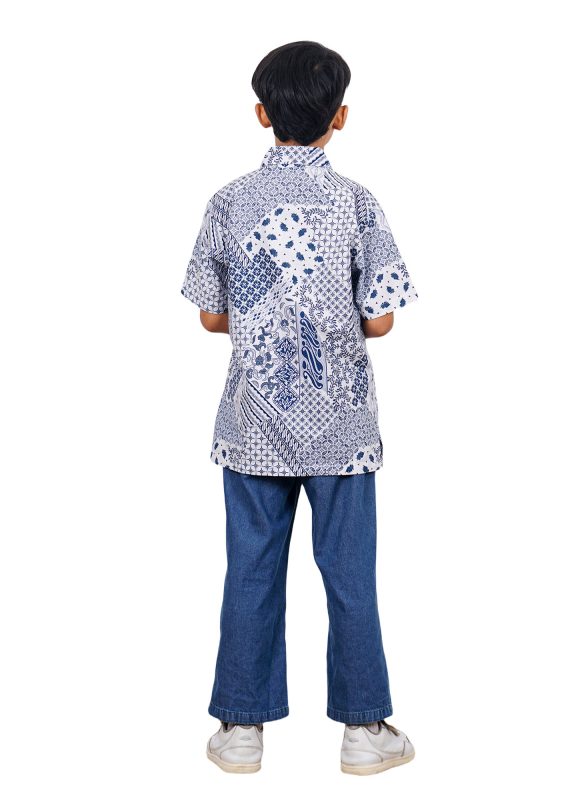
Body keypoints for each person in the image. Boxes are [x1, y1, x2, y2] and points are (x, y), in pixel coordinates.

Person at [181, 40, 418, 775]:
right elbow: (381, 319)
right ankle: (365, 729)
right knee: (350, 576)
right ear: (340, 117)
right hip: (341, 428)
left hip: (254, 422)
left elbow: (210, 316)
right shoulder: (358, 203)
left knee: (250, 571)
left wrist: (263, 313)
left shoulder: (228, 202)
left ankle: (240, 729)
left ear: (261, 114)